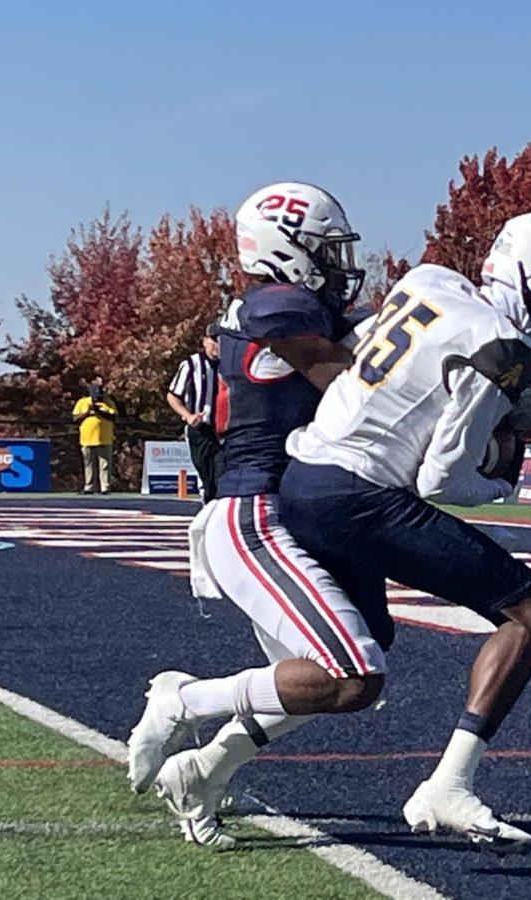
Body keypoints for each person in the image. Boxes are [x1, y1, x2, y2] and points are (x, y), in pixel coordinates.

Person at [278, 211, 531, 852]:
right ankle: (448, 783)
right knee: (529, 614)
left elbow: (373, 367)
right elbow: (441, 480)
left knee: (358, 653)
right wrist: (505, 483)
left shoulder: (431, 279)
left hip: (306, 474)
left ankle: (204, 748)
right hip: (358, 493)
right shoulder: (508, 347)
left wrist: (502, 416)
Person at [126, 182, 376, 850]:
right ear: (287, 249)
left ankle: (205, 772)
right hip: (257, 513)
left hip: (294, 513)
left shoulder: (293, 307)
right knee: (351, 672)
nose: (337, 263)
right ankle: (182, 701)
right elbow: (360, 396)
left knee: (317, 683)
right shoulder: (278, 305)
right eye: (323, 249)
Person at [167, 323, 221, 501]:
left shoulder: (229, 365)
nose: (217, 345)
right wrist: (188, 416)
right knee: (207, 480)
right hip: (201, 429)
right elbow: (173, 396)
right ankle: (207, 515)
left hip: (225, 431)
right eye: (213, 340)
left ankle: (217, 518)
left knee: (223, 478)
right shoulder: (192, 364)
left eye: (221, 340)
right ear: (205, 341)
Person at [72, 377, 117, 494]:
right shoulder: (82, 402)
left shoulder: (108, 402)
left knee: (105, 465)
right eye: (96, 397)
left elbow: (113, 417)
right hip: (87, 439)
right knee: (88, 465)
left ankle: (105, 488)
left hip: (105, 439)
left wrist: (99, 411)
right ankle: (89, 487)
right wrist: (88, 412)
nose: (98, 399)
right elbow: (75, 418)